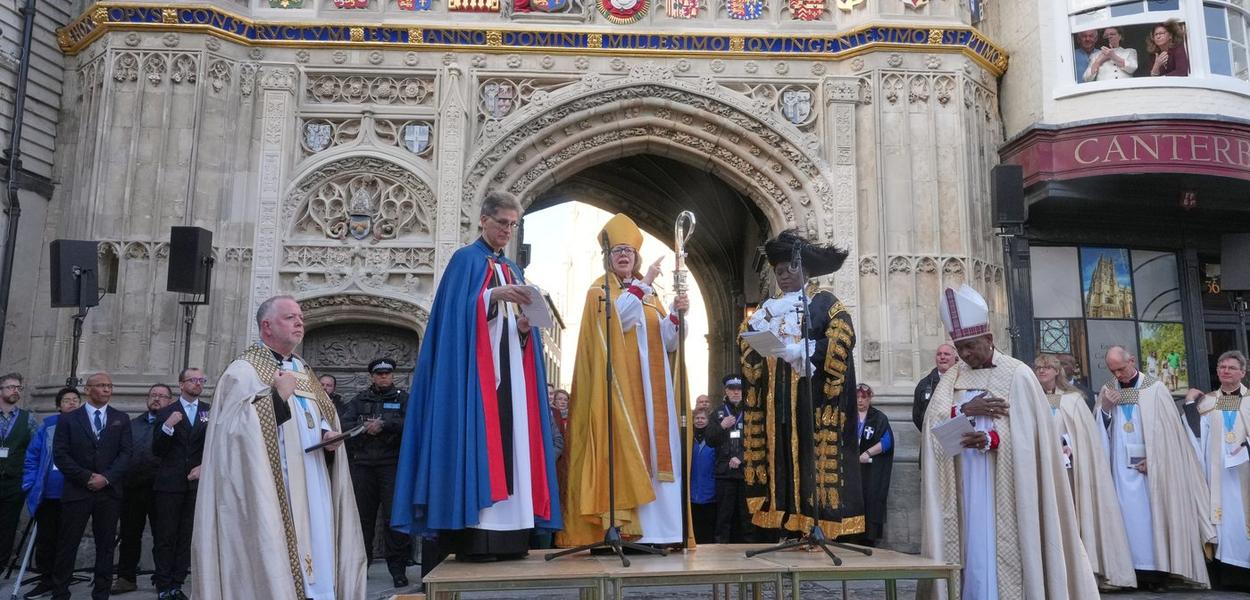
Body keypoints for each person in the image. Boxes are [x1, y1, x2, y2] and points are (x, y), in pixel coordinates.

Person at [391, 191, 561, 580]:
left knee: (513, 445)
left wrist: (522, 328)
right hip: (475, 384)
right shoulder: (464, 261)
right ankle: (474, 536)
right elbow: (454, 320)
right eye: (502, 223)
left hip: (510, 379)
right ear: (483, 220)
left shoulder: (515, 270)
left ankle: (510, 539)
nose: (507, 231)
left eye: (514, 225)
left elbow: (514, 329)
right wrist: (491, 296)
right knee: (481, 444)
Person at [919, 285, 1098, 599]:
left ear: (989, 340)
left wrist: (992, 438)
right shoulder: (952, 377)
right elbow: (933, 427)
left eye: (970, 346)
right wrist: (962, 409)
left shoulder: (1018, 375)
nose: (964, 355)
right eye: (959, 348)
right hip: (964, 481)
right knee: (971, 544)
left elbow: (1033, 439)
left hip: (1007, 485)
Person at [192, 295, 366, 600]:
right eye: (290, 317)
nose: (300, 322)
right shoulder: (243, 371)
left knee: (318, 541)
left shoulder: (302, 369)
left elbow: (319, 414)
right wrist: (276, 398)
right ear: (266, 326)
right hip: (273, 486)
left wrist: (328, 435)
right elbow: (232, 434)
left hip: (313, 479)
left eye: (300, 317)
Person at [557, 213, 687, 548]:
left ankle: (663, 533)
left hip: (654, 394)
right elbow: (619, 320)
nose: (624, 256)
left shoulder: (650, 296)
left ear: (636, 256)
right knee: (631, 453)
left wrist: (676, 314)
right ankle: (628, 530)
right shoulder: (598, 293)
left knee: (661, 458)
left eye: (629, 250)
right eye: (618, 251)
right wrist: (647, 282)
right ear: (608, 257)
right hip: (621, 394)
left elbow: (668, 342)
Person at [738, 229, 862, 537]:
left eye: (789, 269)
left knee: (810, 459)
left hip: (813, 401)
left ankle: (814, 524)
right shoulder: (767, 308)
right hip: (775, 402)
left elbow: (842, 339)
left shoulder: (825, 303)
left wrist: (807, 350)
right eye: (778, 271)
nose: (783, 276)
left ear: (804, 269)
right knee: (778, 458)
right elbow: (748, 346)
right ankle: (785, 522)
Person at [1096, 345, 1211, 589]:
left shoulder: (1155, 389)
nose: (1118, 375)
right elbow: (1097, 433)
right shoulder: (1107, 390)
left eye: (1121, 369)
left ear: (1132, 361)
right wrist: (1105, 408)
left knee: (1151, 519)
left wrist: (1157, 461)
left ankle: (1156, 574)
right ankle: (1129, 573)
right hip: (1119, 467)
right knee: (1124, 519)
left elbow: (1170, 436)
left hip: (1151, 469)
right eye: (1112, 370)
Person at [1033, 355, 1135, 589]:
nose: (1041, 371)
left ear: (1057, 371)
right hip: (1040, 468)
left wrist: (1068, 443)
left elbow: (1086, 437)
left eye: (1047, 367)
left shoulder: (1073, 400)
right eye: (1038, 367)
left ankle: (1080, 572)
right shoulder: (1031, 398)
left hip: (1069, 472)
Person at [50, 372, 133, 600]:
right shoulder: (68, 419)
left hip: (108, 493)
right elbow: (61, 454)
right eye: (101, 385)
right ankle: (60, 593)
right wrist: (86, 477)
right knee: (68, 544)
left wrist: (106, 478)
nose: (107, 389)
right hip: (77, 490)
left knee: (106, 546)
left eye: (109, 385)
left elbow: (126, 454)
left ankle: (101, 593)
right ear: (88, 390)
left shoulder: (121, 418)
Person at [1182, 350, 1250, 589]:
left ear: (1243, 372)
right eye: (1221, 367)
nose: (1225, 371)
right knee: (1222, 523)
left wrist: (1246, 446)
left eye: (1231, 367)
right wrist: (1190, 404)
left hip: (1245, 473)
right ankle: (1225, 575)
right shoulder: (1209, 402)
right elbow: (1195, 435)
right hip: (1217, 475)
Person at [341, 358, 412, 588]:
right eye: (379, 374)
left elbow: (411, 423)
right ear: (372, 376)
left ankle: (398, 570)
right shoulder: (361, 399)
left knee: (394, 519)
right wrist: (364, 427)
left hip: (392, 466)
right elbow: (344, 423)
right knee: (363, 520)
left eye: (387, 374)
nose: (383, 377)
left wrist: (385, 425)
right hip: (363, 466)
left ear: (393, 376)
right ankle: (361, 568)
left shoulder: (402, 398)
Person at [151, 369, 211, 600]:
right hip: (169, 483)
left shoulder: (208, 410)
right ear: (181, 384)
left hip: (196, 483)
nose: (197, 384)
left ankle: (177, 583)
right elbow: (156, 449)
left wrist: (205, 465)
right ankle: (164, 585)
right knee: (166, 536)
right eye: (193, 380)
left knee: (187, 536)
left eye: (201, 381)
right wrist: (167, 427)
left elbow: (215, 444)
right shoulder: (167, 411)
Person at [113, 383, 174, 594]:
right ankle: (126, 577)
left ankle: (163, 579)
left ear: (170, 401)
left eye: (162, 396)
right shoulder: (132, 424)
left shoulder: (174, 423)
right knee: (129, 535)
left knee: (163, 536)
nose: (157, 399)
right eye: (153, 395)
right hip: (133, 488)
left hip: (161, 489)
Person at [20, 387, 80, 598]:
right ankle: (46, 579)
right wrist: (29, 484)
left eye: (75, 399)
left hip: (74, 494)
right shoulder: (47, 426)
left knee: (68, 541)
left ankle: (61, 582)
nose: (72, 403)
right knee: (46, 540)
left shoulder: (85, 426)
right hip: (48, 493)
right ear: (58, 405)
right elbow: (32, 457)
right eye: (66, 400)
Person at [705, 374, 750, 543]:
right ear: (726, 390)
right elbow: (709, 440)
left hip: (746, 472)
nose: (736, 393)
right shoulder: (718, 413)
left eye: (739, 389)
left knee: (746, 515)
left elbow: (760, 440)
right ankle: (720, 548)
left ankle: (749, 549)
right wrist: (722, 426)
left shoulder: (750, 412)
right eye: (732, 389)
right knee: (724, 516)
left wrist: (741, 457)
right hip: (725, 473)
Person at [0, 373, 37, 571]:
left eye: (19, 388)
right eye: (10, 387)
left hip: (14, 482)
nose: (15, 390)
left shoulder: (27, 419)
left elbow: (34, 450)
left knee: (7, 527)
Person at [854, 383, 893, 548]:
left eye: (864, 398)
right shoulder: (846, 416)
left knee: (870, 499)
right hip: (851, 469)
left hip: (870, 469)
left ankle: (868, 537)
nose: (860, 401)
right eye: (857, 397)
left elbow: (887, 441)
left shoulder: (878, 418)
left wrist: (868, 453)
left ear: (870, 399)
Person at [912, 344, 957, 433]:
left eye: (946, 354)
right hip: (931, 436)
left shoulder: (962, 380)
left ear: (955, 358)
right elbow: (917, 416)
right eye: (939, 354)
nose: (942, 357)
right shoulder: (924, 384)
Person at [690, 408, 717, 544]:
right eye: (697, 418)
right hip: (693, 493)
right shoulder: (688, 440)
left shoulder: (714, 440)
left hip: (710, 492)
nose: (700, 421)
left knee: (708, 527)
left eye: (703, 418)